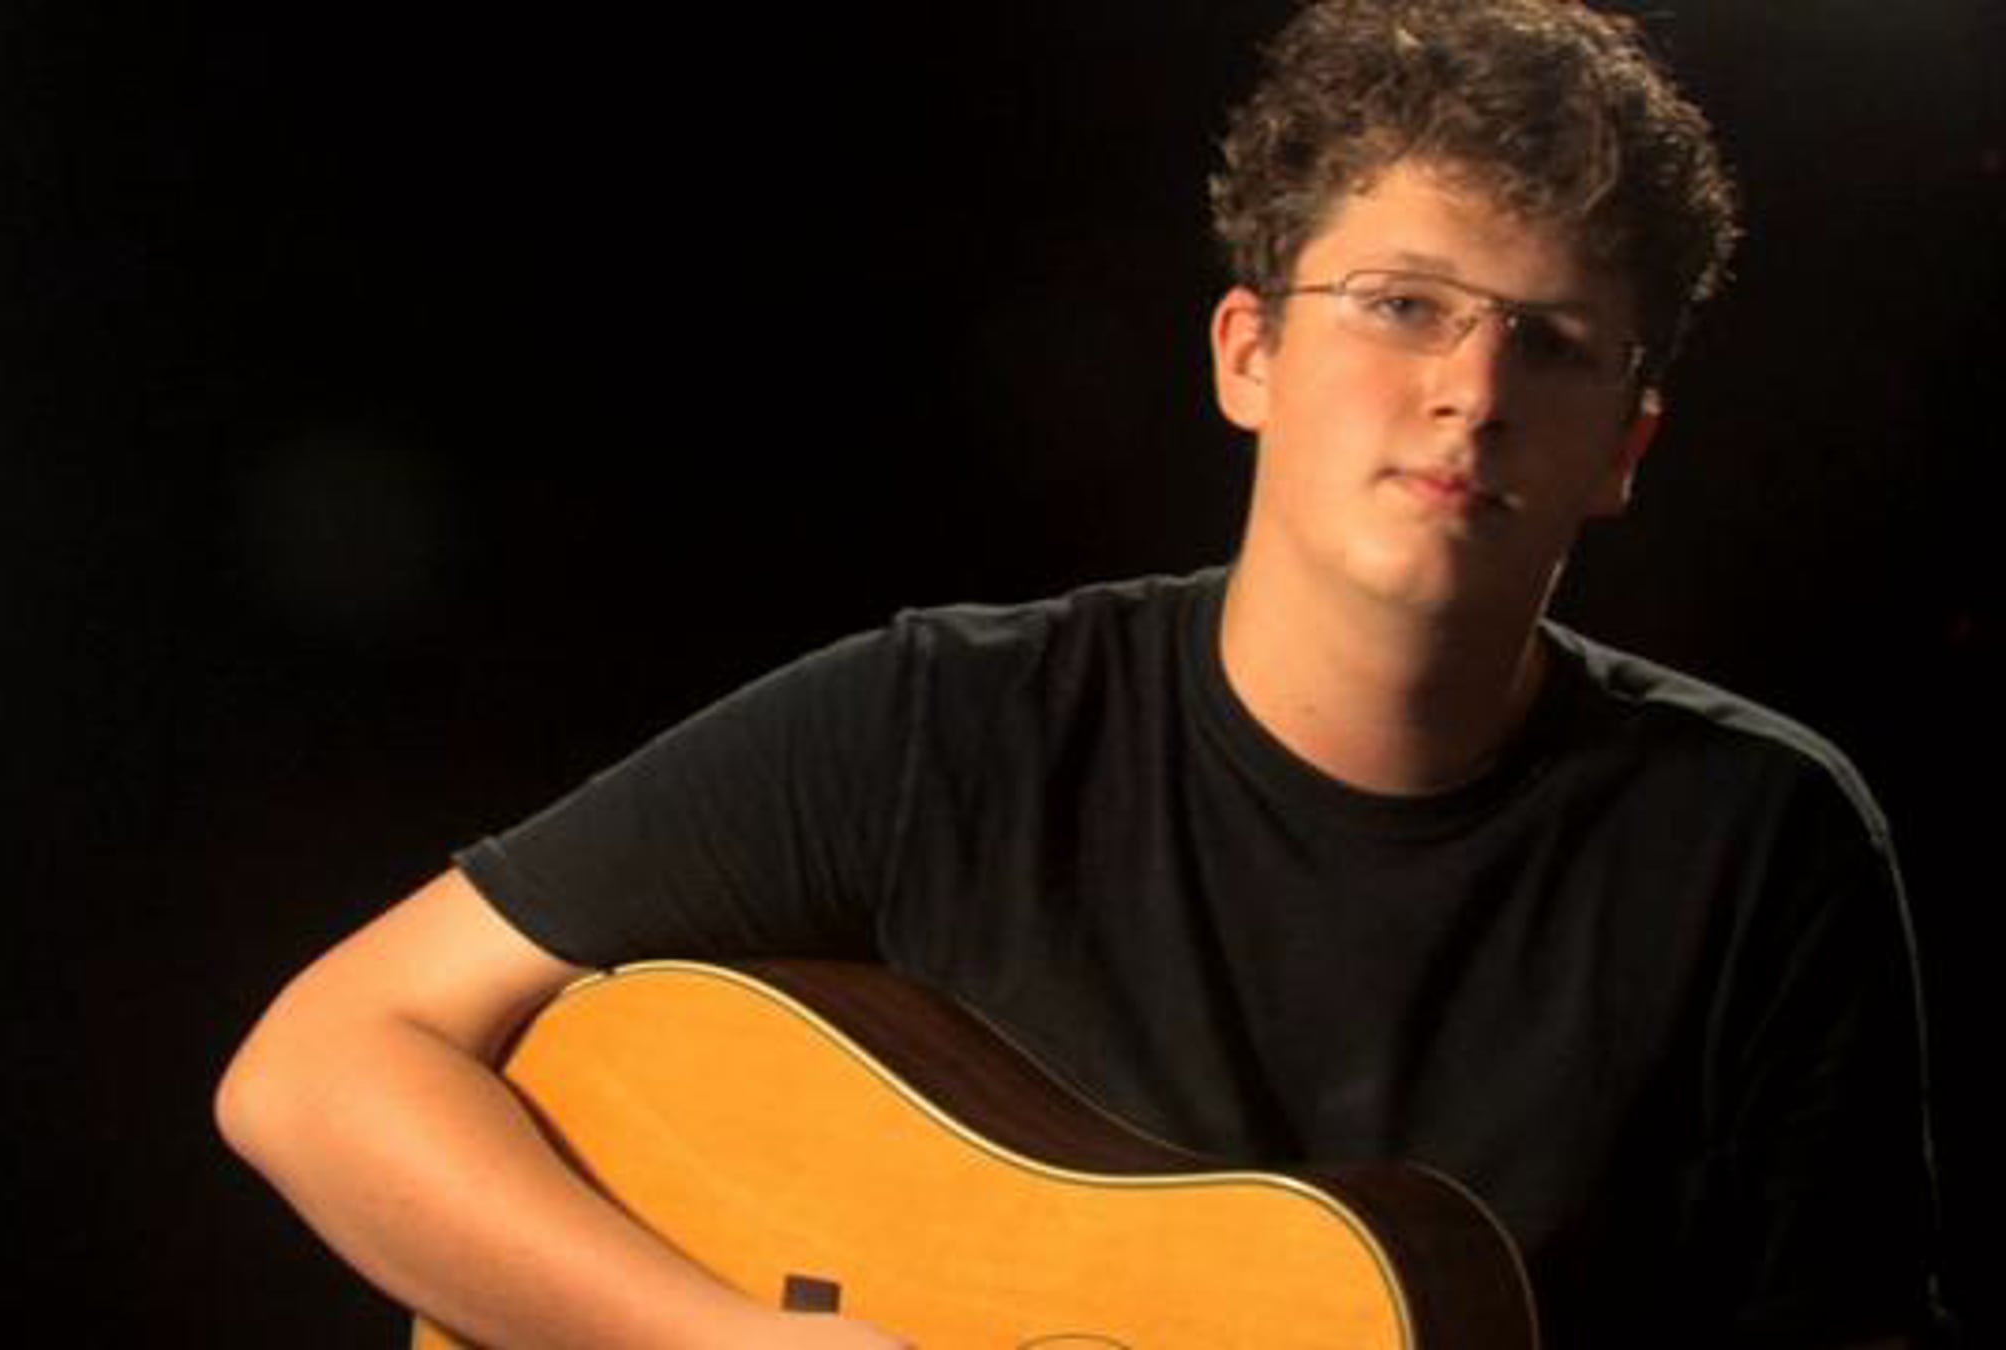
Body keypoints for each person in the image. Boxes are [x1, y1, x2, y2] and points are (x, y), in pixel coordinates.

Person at [215, 1, 1949, 1345]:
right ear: (1248, 354)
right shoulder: (943, 728)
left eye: (1552, 343)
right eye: (1403, 304)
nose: (1471, 392)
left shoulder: (1759, 846)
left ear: (1626, 446)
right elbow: (321, 1066)